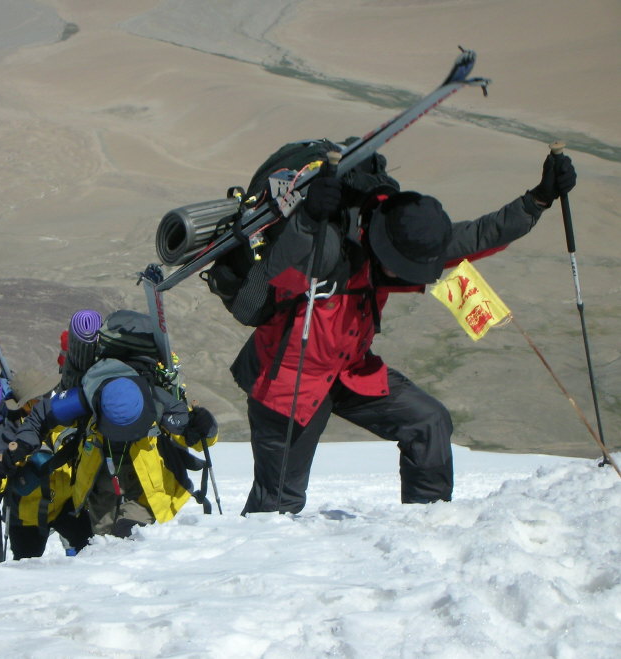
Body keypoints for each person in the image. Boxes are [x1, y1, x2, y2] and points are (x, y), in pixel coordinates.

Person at [231, 149, 577, 513]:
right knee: (278, 504)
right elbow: (272, 275)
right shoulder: (326, 245)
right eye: (401, 267)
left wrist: (537, 200)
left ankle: (424, 527)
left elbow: (479, 235)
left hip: (349, 371)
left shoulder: (406, 237)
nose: (406, 274)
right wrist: (307, 221)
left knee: (428, 422)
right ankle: (256, 565)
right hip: (287, 382)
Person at [0, 356, 219, 538]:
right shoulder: (84, 401)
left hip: (147, 497)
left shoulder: (157, 403)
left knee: (131, 542)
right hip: (100, 498)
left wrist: (206, 428)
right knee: (106, 553)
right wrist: (17, 450)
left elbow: (196, 439)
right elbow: (40, 420)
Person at [0, 368, 93, 559]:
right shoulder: (6, 434)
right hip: (26, 519)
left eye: (48, 393)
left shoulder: (63, 419)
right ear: (25, 405)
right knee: (26, 577)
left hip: (66, 505)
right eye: (39, 397)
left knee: (93, 554)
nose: (47, 399)